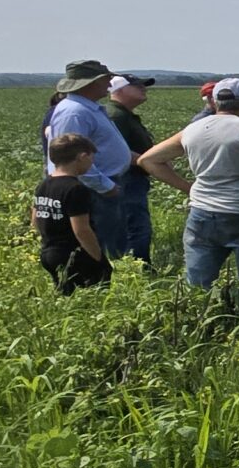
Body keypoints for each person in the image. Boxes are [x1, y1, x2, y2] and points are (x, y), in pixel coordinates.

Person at [138, 77, 239, 297]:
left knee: (198, 286)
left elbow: (147, 160)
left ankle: (201, 324)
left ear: (215, 102)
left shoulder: (193, 129)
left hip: (202, 212)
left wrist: (189, 187)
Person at [43, 61, 132, 244]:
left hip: (99, 185)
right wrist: (105, 186)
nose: (110, 84)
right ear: (92, 83)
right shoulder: (74, 112)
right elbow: (70, 158)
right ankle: (102, 270)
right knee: (101, 240)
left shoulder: (86, 108)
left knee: (112, 237)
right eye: (106, 79)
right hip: (92, 188)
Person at [34, 133, 111, 294]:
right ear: (82, 157)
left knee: (64, 297)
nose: (92, 162)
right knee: (92, 298)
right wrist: (99, 258)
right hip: (74, 256)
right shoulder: (76, 189)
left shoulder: (44, 184)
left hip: (48, 252)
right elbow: (81, 230)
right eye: (91, 157)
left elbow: (35, 219)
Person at [99, 75, 159, 263]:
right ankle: (137, 267)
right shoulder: (116, 115)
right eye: (137, 85)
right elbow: (118, 152)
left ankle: (133, 265)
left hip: (131, 179)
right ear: (119, 89)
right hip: (127, 179)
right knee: (134, 226)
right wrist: (149, 163)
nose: (143, 88)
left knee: (132, 224)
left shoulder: (123, 114)